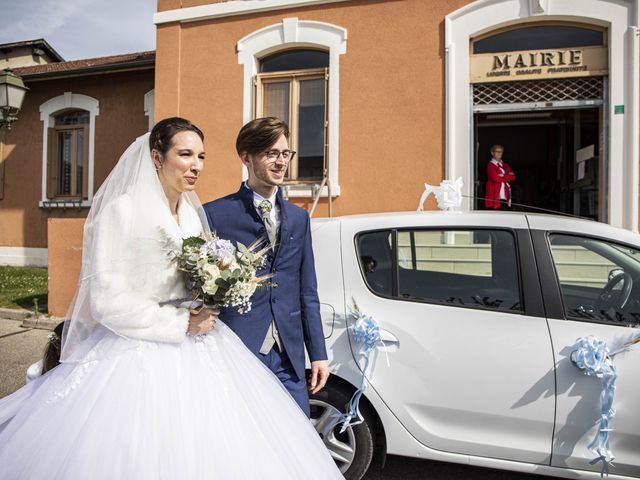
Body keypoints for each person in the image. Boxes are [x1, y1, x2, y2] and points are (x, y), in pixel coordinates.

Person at [0, 117, 343, 479]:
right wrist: (181, 323)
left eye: (201, 156)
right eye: (185, 154)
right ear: (157, 158)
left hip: (202, 350)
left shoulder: (192, 218)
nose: (196, 165)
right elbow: (104, 301)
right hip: (137, 354)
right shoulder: (122, 211)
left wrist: (212, 295)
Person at [202, 117, 329, 417]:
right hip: (239, 351)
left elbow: (307, 291)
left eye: (285, 154)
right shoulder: (214, 214)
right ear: (246, 157)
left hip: (290, 357)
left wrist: (318, 354)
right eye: (271, 153)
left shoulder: (299, 219)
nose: (281, 162)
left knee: (298, 437)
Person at [485, 144, 516, 210]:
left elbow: (513, 177)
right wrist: (507, 176)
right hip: (495, 195)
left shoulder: (505, 165)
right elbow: (495, 178)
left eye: (501, 151)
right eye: (497, 151)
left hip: (505, 194)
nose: (499, 153)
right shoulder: (490, 165)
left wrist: (503, 175)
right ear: (492, 153)